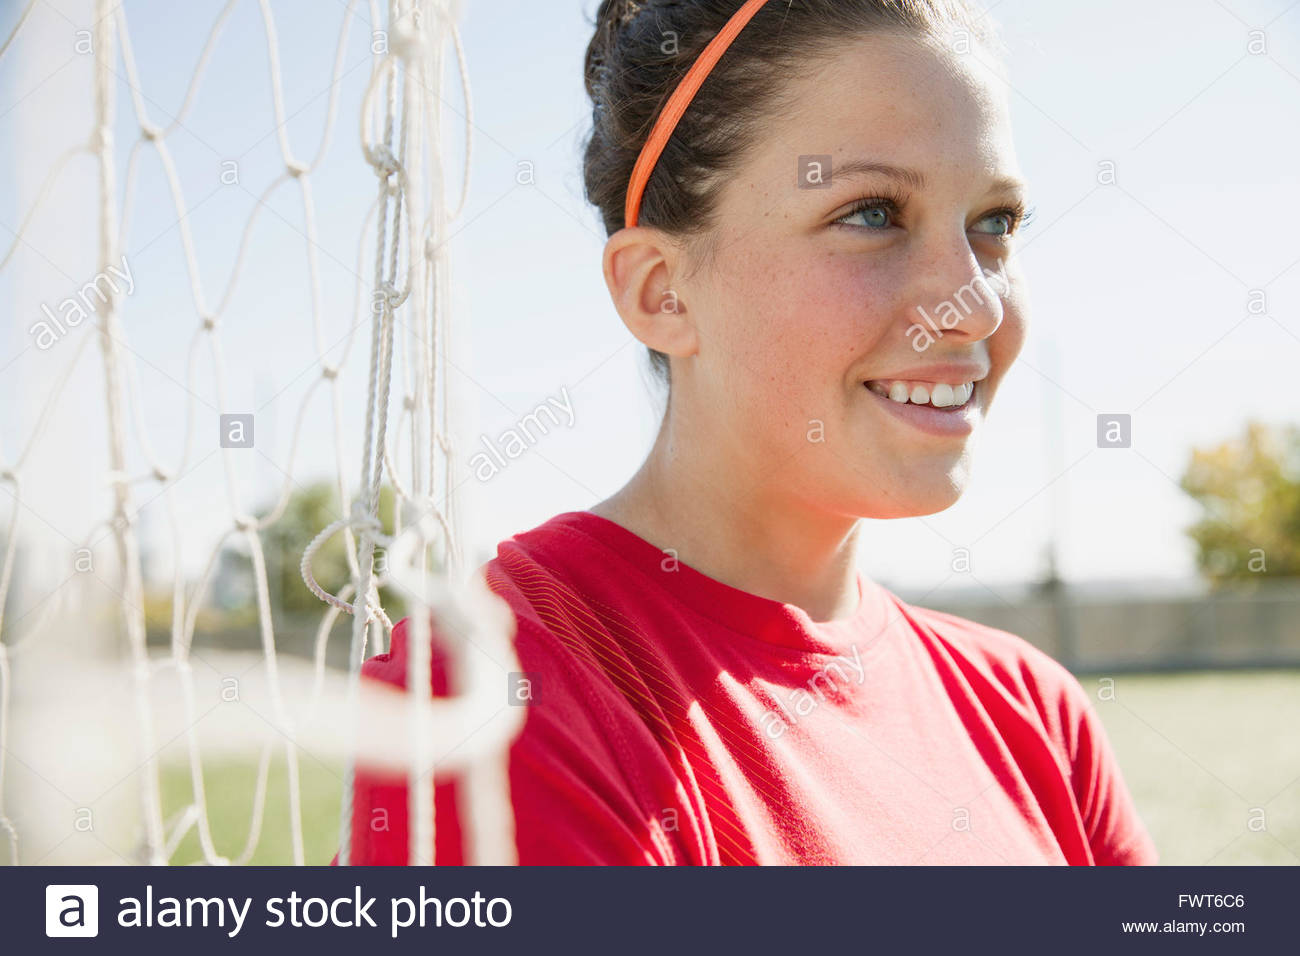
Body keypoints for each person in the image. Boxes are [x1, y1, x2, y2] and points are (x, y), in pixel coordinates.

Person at [340, 0, 1158, 865]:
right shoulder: (498, 698)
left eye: (994, 224)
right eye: (874, 213)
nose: (976, 302)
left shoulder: (1033, 716)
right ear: (662, 290)